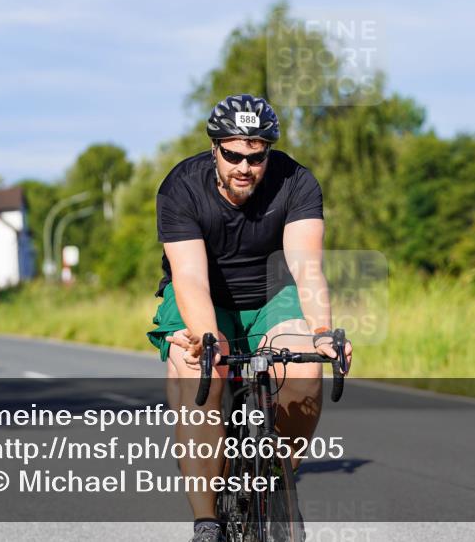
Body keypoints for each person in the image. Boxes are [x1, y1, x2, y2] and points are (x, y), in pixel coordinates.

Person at [147, 94, 352, 542]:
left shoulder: (296, 182)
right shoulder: (181, 187)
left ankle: (278, 479)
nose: (244, 167)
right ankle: (206, 522)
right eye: (233, 155)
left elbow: (307, 268)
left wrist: (321, 331)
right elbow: (190, 277)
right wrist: (206, 337)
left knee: (304, 367)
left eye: (256, 157)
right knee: (200, 372)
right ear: (214, 148)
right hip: (205, 295)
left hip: (272, 294)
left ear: (268, 153)